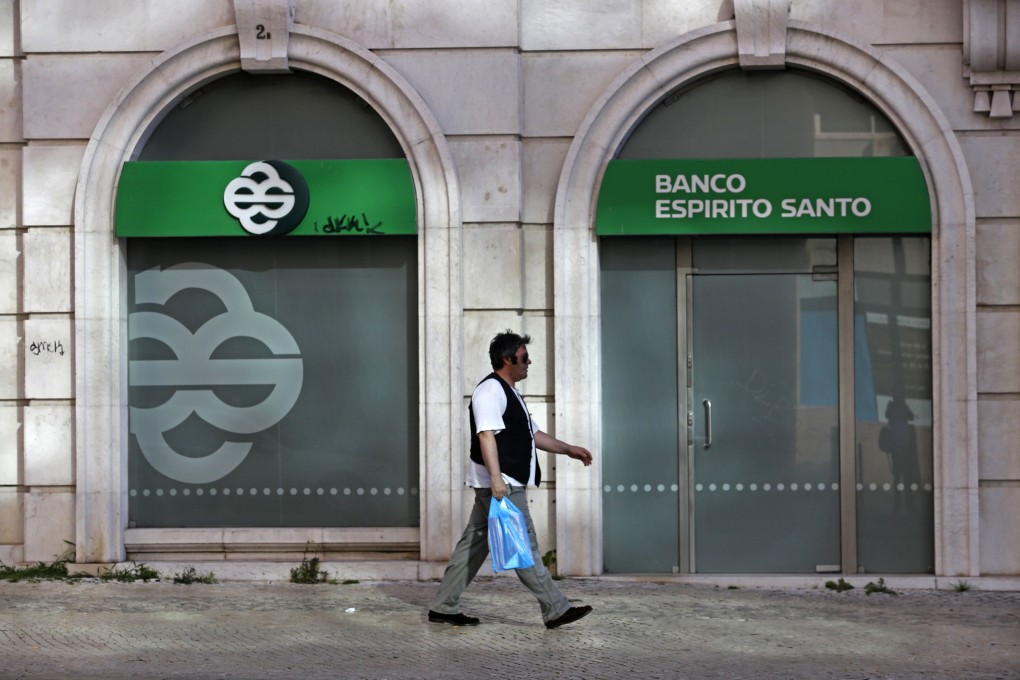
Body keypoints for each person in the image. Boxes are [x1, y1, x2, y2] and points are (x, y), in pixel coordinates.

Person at [428, 330, 594, 629]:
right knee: (524, 545)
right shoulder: (490, 391)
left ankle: (443, 606)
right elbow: (485, 434)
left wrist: (568, 449)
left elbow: (535, 435)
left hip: (498, 483)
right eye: (524, 357)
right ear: (507, 359)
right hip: (502, 484)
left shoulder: (509, 391)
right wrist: (497, 481)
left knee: (474, 545)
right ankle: (555, 608)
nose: (529, 362)